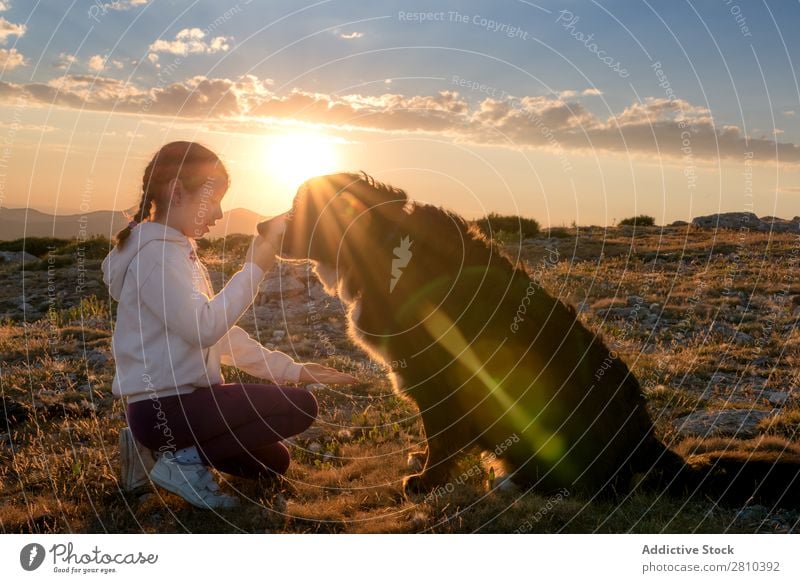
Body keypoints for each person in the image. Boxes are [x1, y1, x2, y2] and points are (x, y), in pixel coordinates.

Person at [101, 141, 357, 510]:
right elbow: (205, 328)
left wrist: (294, 369)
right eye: (215, 198)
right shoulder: (155, 256)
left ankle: (158, 454)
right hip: (168, 408)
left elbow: (219, 337)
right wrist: (253, 268)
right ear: (176, 191)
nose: (220, 214)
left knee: (274, 463)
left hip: (183, 410)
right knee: (299, 408)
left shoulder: (174, 250)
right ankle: (178, 461)